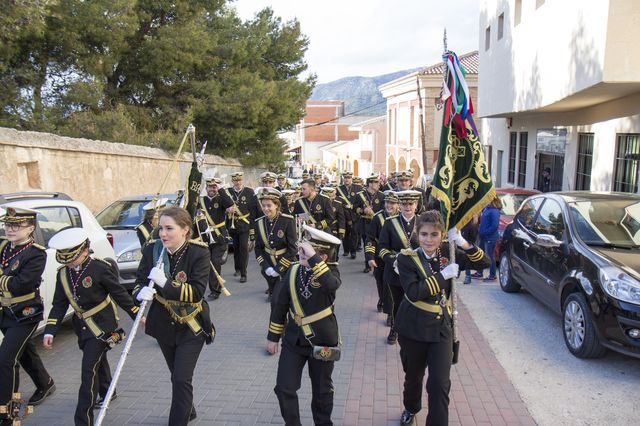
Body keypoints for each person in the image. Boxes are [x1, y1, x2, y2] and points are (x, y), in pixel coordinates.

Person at [395, 211, 490, 426]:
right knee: (413, 376)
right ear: (417, 234)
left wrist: (464, 243)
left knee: (439, 383)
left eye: (435, 235)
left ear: (442, 235)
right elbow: (413, 292)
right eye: (424, 234)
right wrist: (443, 276)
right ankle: (411, 408)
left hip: (441, 328)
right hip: (413, 328)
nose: (429, 240)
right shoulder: (406, 258)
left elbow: (484, 262)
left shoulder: (449, 252)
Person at [44, 227, 139, 426]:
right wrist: (50, 330)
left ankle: (83, 420)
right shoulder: (63, 274)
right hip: (82, 327)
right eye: (66, 260)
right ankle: (108, 390)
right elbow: (59, 305)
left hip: (103, 325)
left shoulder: (100, 268)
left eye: (72, 258)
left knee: (88, 371)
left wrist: (136, 314)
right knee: (97, 361)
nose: (69, 263)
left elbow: (119, 293)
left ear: (85, 250)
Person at [133, 206, 214, 425]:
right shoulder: (152, 250)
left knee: (181, 378)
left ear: (185, 229)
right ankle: (189, 409)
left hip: (192, 324)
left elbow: (196, 291)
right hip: (163, 323)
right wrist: (140, 293)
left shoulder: (199, 252)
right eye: (161, 228)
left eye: (169, 228)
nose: (163, 234)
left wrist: (165, 283)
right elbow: (139, 280)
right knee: (176, 376)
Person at [266, 225, 342, 426]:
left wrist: (314, 259)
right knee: (284, 387)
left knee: (322, 390)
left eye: (307, 251)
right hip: (293, 339)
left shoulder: (331, 273)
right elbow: (280, 305)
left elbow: (331, 285)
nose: (300, 253)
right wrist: (273, 337)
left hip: (324, 340)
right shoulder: (293, 271)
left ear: (323, 257)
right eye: (302, 249)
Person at [0, 207, 55, 426]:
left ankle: (6, 412)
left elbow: (20, 284)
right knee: (23, 353)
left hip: (25, 315)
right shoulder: (4, 246)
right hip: (5, 312)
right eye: (8, 224)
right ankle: (45, 382)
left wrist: (5, 278)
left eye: (17, 225)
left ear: (31, 228)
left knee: (5, 360)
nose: (10, 229)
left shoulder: (36, 253)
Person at [378, 190, 421, 344]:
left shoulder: (422, 222)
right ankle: (394, 329)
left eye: (411, 204)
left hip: (417, 273)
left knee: (416, 303)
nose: (407, 207)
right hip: (395, 271)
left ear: (416, 205)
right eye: (404, 204)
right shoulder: (390, 223)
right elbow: (382, 248)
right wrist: (393, 260)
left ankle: (413, 331)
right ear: (400, 205)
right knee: (398, 303)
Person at [254, 188, 297, 301]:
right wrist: (266, 266)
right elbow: (258, 248)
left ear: (276, 205)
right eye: (263, 205)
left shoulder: (287, 221)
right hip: (268, 263)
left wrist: (279, 268)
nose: (265, 209)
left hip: (285, 263)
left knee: (285, 296)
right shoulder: (259, 222)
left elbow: (293, 248)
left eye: (269, 205)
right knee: (274, 297)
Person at [198, 177, 233, 300]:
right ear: (206, 188)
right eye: (210, 187)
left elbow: (231, 206)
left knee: (215, 262)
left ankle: (215, 290)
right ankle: (202, 289)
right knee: (205, 264)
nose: (212, 189)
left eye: (214, 187)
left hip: (219, 237)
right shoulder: (201, 201)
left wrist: (221, 190)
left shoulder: (221, 199)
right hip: (205, 238)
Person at [365, 190, 399, 315]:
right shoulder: (377, 217)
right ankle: (383, 299)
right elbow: (370, 238)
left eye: (392, 203)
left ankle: (391, 314)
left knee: (391, 285)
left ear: (398, 205)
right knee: (380, 281)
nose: (389, 206)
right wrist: (370, 257)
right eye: (387, 203)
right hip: (380, 256)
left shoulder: (401, 217)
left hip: (395, 257)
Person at [224, 172, 257, 283]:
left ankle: (244, 273)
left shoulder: (249, 192)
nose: (238, 182)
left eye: (239, 180)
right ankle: (237, 268)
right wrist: (227, 210)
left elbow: (253, 211)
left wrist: (252, 228)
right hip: (232, 224)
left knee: (243, 247)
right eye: (235, 180)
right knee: (236, 247)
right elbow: (222, 206)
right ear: (232, 181)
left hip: (245, 224)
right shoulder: (228, 192)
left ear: (242, 180)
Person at [353, 174, 385, 273]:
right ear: (370, 184)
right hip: (364, 222)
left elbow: (384, 209)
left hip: (377, 223)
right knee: (367, 242)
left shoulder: (381, 195)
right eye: (376, 183)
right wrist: (363, 210)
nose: (378, 184)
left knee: (377, 243)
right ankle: (368, 263)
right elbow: (354, 208)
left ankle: (375, 261)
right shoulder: (360, 195)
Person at [473, 197, 502, 282]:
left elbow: (494, 225)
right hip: (483, 236)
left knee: (489, 256)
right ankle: (479, 273)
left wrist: (485, 232)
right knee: (480, 254)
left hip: (490, 237)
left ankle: (493, 276)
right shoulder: (487, 208)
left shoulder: (494, 211)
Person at [336, 171, 363, 259]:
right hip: (343, 214)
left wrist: (355, 207)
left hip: (354, 213)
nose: (347, 180)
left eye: (348, 178)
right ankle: (346, 250)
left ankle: (353, 251)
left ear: (351, 179)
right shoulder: (339, 189)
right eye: (345, 178)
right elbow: (336, 201)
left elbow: (361, 200)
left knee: (354, 232)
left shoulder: (358, 188)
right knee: (346, 232)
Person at [460, 215, 479, 284]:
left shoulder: (472, 226)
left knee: (466, 260)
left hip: (468, 246)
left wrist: (468, 245)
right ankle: (458, 272)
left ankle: (468, 277)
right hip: (462, 244)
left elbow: (473, 239)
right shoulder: (462, 225)